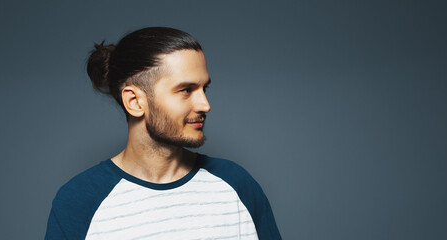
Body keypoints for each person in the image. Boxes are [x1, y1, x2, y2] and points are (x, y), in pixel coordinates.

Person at [44, 27, 282, 240]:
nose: (205, 104)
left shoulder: (237, 185)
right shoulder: (78, 200)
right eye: (186, 90)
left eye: (204, 88)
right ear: (135, 101)